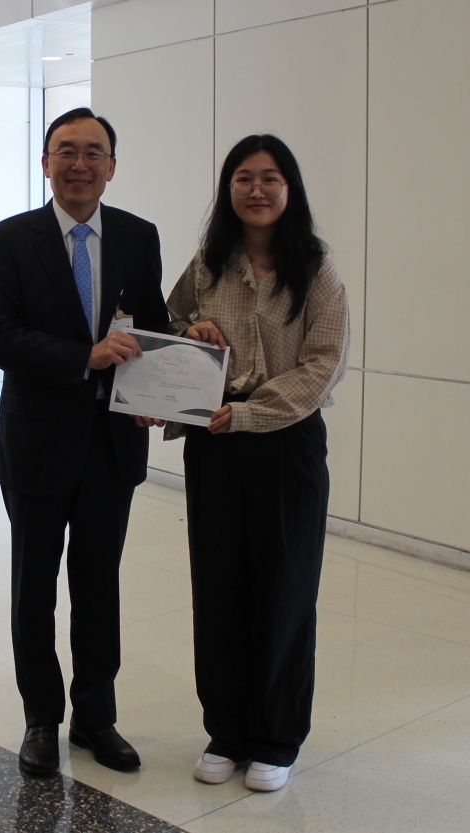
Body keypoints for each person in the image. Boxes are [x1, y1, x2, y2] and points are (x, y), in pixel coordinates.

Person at [0, 107, 168, 778]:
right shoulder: (8, 240)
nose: (79, 163)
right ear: (46, 162)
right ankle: (40, 719)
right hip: (35, 446)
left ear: (112, 166)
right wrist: (85, 355)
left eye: (93, 152)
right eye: (66, 150)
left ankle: (94, 717)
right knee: (33, 590)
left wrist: (163, 380)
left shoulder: (139, 237)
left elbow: (151, 327)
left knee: (98, 586)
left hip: (113, 448)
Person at [166, 134, 350, 792]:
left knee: (284, 588)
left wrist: (248, 414)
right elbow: (173, 318)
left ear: (289, 189)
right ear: (228, 189)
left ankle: (276, 736)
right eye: (243, 178)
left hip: (284, 443)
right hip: (214, 443)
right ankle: (227, 730)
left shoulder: (316, 270)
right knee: (217, 587)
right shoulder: (209, 263)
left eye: (270, 178)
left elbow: (321, 366)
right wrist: (194, 331)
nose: (256, 190)